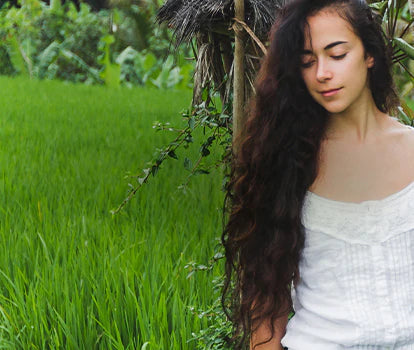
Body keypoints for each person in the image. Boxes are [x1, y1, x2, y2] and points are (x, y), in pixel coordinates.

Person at [221, 0, 414, 349]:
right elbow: (266, 312)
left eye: (337, 55)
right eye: (308, 62)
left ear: (370, 54)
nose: (322, 73)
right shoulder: (285, 163)